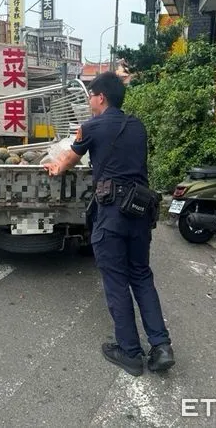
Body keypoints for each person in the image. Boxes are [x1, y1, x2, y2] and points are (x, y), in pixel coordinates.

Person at [43, 72, 174, 377]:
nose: (89, 101)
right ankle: (161, 346)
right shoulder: (138, 126)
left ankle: (129, 352)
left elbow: (64, 164)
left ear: (101, 97)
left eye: (91, 95)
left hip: (113, 215)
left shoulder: (91, 128)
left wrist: (55, 166)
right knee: (141, 275)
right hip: (141, 212)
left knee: (116, 281)